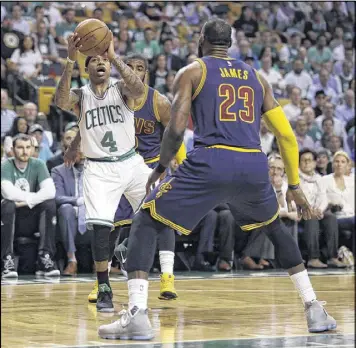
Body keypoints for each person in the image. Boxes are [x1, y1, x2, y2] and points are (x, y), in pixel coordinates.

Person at [98, 18, 337, 340]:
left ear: (201, 39)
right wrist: (294, 185)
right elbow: (286, 135)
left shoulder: (193, 72)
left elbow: (177, 128)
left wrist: (160, 166)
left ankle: (138, 315)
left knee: (145, 220)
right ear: (232, 41)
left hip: (211, 160)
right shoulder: (258, 77)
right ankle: (314, 308)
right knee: (275, 228)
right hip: (253, 163)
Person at [54, 32, 151, 313]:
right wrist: (70, 61)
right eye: (93, 60)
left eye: (103, 60)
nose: (99, 63)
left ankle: (151, 265)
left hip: (131, 162)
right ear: (87, 70)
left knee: (160, 206)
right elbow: (61, 101)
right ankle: (104, 285)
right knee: (100, 228)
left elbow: (139, 91)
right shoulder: (81, 96)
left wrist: (115, 56)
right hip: (98, 167)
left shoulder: (122, 89)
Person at [82, 53, 186, 303]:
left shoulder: (157, 100)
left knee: (163, 218)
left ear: (146, 74)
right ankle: (102, 282)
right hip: (117, 166)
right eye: (130, 67)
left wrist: (180, 161)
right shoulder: (112, 95)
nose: (135, 71)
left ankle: (167, 277)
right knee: (110, 228)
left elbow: (175, 131)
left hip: (151, 167)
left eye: (140, 68)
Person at [1, 134, 58, 278]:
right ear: (13, 149)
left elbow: (50, 191)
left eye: (28, 147)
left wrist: (29, 201)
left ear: (32, 149)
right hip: (12, 217)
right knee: (7, 205)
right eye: (20, 147)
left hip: (32, 216)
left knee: (50, 204)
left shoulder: (39, 164)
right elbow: (7, 192)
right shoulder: (6, 165)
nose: (24, 151)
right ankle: (7, 260)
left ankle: (45, 258)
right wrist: (33, 198)